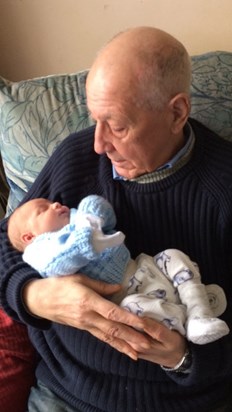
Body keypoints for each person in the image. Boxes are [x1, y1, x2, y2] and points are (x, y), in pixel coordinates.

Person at [0, 26, 232, 412]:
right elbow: (7, 237)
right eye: (95, 120)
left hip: (180, 402)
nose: (99, 144)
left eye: (118, 126)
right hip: (64, 392)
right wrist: (33, 294)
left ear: (176, 112)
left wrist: (185, 359)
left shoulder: (224, 187)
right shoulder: (76, 156)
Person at [7, 194, 229, 346]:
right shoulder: (41, 250)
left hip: (143, 267)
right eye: (43, 209)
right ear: (30, 237)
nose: (55, 204)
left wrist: (90, 213)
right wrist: (29, 292)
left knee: (172, 255)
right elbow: (60, 261)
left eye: (51, 202)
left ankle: (200, 312)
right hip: (127, 296)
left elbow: (105, 215)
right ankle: (184, 319)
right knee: (134, 310)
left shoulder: (77, 219)